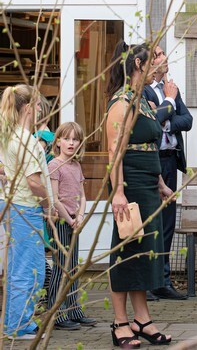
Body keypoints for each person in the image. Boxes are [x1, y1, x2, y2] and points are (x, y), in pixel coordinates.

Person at [106, 42, 173, 348]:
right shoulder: (122, 102)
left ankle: (142, 320)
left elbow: (148, 145)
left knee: (145, 252)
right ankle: (120, 323)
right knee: (126, 251)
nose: (160, 63)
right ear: (137, 62)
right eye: (155, 58)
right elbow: (114, 151)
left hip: (147, 184)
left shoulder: (143, 100)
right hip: (129, 184)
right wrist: (118, 190)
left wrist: (160, 181)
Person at [0, 84, 53, 341]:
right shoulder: (26, 140)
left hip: (13, 206)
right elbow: (34, 182)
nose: (41, 109)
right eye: (39, 104)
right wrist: (48, 205)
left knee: (19, 266)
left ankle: (16, 321)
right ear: (29, 107)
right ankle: (18, 326)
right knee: (30, 269)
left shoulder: (9, 136)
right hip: (25, 209)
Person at [142, 45, 193, 301]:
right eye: (158, 55)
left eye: (163, 53)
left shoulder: (171, 88)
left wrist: (167, 120)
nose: (164, 58)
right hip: (152, 162)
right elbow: (151, 120)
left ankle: (162, 281)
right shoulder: (142, 91)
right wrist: (166, 106)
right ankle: (147, 282)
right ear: (148, 63)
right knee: (150, 222)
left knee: (167, 224)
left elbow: (188, 121)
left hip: (171, 161)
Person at [46, 121, 97, 330]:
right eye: (66, 138)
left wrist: (81, 215)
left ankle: (74, 310)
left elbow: (83, 195)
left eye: (75, 139)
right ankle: (55, 314)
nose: (71, 143)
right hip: (60, 222)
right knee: (61, 268)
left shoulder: (76, 165)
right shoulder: (53, 165)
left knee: (74, 267)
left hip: (75, 221)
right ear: (58, 141)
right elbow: (55, 199)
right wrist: (69, 219)